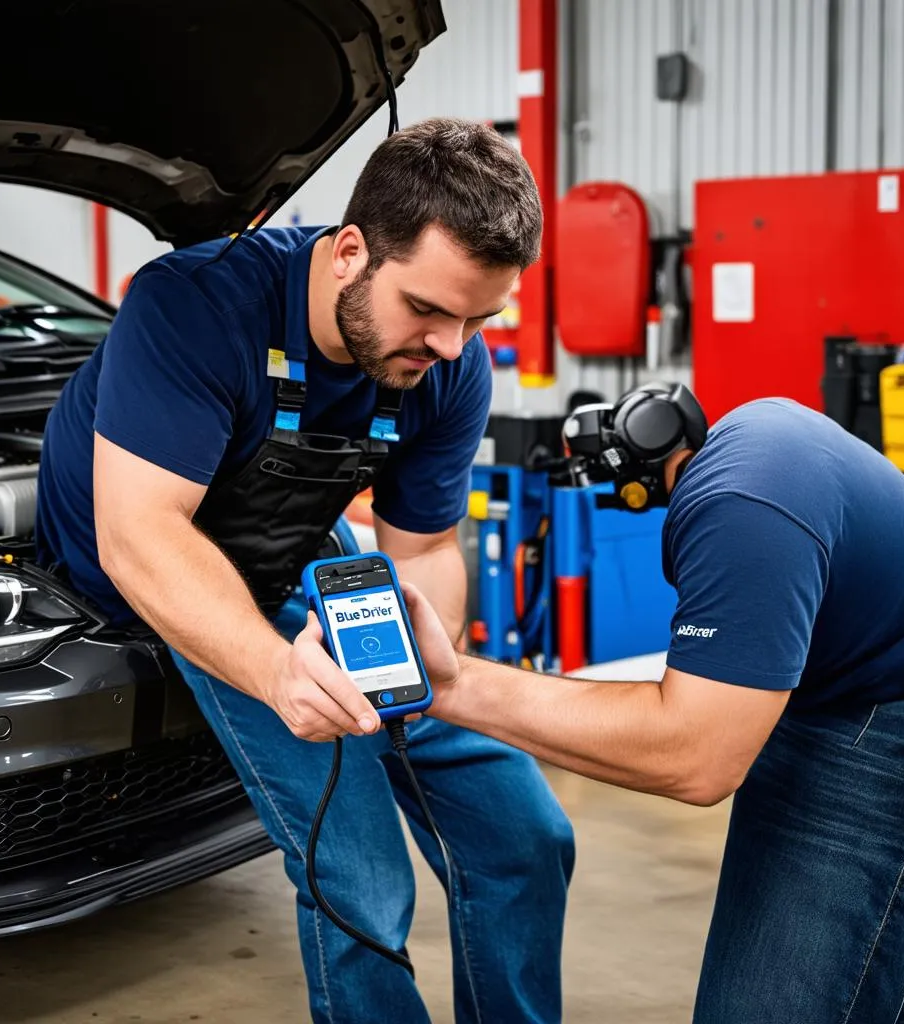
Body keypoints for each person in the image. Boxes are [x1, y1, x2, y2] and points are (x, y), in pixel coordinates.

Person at [35, 117, 575, 1024]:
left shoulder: (448, 361)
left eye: (479, 318)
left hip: (293, 558)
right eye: (429, 310)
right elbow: (142, 540)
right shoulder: (196, 306)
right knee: (360, 869)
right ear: (350, 252)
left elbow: (427, 551)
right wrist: (282, 669)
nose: (451, 346)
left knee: (524, 834)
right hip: (160, 581)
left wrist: (428, 673)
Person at [363, 384, 904, 1023]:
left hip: (881, 713)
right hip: (853, 683)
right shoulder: (756, 447)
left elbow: (696, 756)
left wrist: (449, 686)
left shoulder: (739, 506)